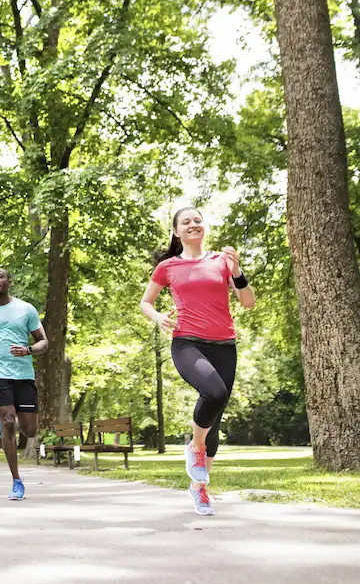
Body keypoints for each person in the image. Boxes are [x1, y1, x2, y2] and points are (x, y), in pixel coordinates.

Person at [139, 206, 256, 516]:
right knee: (214, 394)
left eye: (197, 220)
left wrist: (237, 271)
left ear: (204, 227)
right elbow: (145, 301)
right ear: (176, 232)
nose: (193, 224)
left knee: (214, 419)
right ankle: (195, 448)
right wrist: (158, 317)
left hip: (224, 345)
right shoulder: (167, 267)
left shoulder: (221, 261)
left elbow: (248, 303)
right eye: (186, 222)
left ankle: (200, 489)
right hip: (187, 342)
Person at [0, 268, 48, 500]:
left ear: (9, 282)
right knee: (8, 420)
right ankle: (16, 480)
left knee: (30, 430)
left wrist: (28, 350)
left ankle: (5, 427)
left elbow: (44, 341)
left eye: (0, 277)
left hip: (23, 375)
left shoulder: (26, 309)